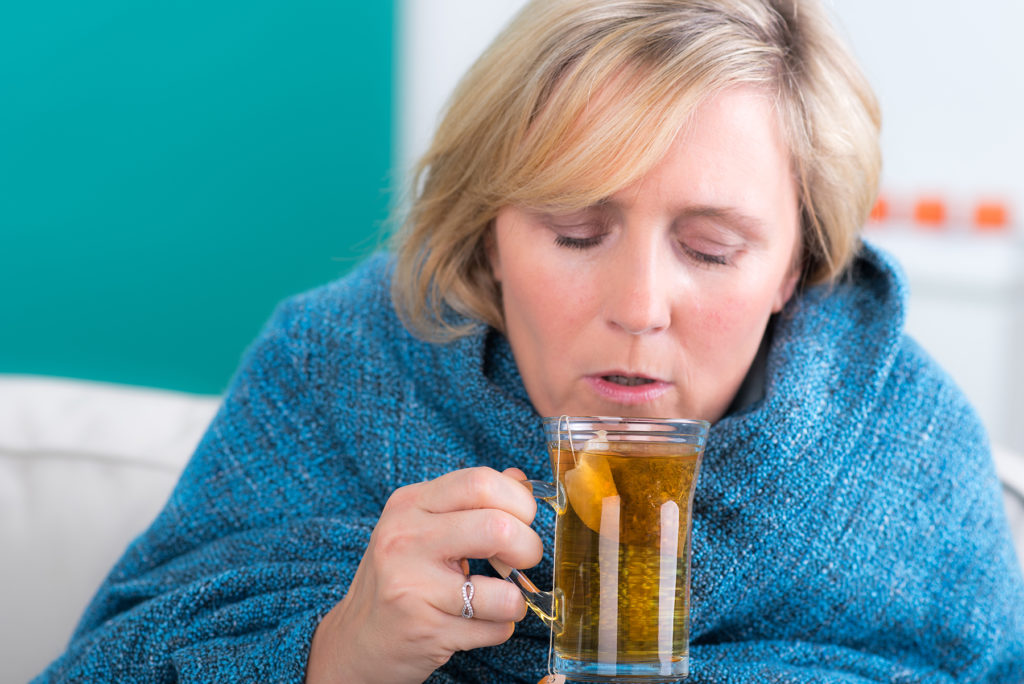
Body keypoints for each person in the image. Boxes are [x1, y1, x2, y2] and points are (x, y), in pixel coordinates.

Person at [37, 0, 1024, 682]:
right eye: (574, 234)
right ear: (487, 238)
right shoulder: (335, 363)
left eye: (712, 249)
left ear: (794, 270)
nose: (639, 305)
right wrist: (335, 652)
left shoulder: (903, 446)